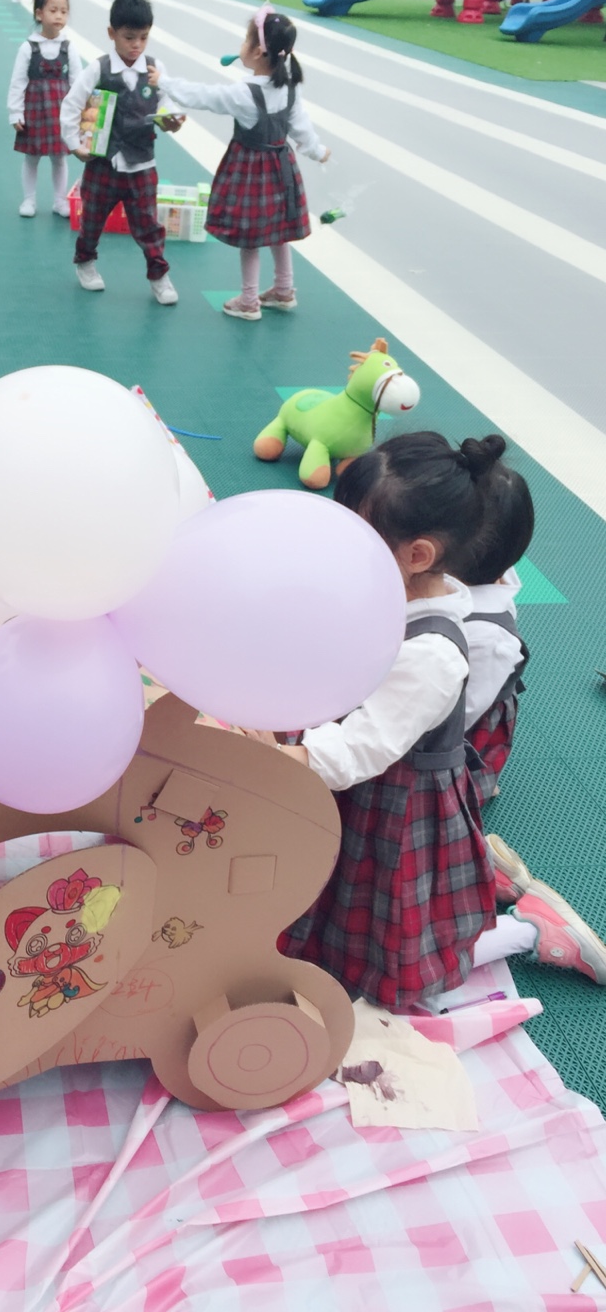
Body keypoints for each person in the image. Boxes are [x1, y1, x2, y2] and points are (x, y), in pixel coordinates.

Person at [256, 432, 606, 1010]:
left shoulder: (434, 654)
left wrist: (274, 757)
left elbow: (362, 749)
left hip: (391, 802)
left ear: (417, 555)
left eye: (357, 535)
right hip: (359, 780)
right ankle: (480, 875)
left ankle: (531, 931)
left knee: (394, 943)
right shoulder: (394, 585)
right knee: (337, 900)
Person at [149, 5, 328, 322]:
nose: (242, 46)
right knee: (278, 231)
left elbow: (202, 96)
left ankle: (248, 301)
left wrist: (164, 82)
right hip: (282, 168)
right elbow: (302, 130)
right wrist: (319, 151)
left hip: (251, 171)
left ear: (258, 51)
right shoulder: (289, 88)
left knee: (251, 239)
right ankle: (284, 289)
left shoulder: (244, 93)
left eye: (246, 41)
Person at [59, 0, 184, 306]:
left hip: (142, 163)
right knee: (92, 219)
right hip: (103, 162)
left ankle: (159, 275)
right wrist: (74, 144)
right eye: (129, 37)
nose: (137, 45)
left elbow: (167, 101)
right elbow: (71, 104)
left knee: (148, 225)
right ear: (111, 33)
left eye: (143, 37)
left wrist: (172, 119)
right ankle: (85, 262)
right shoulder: (98, 69)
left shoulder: (154, 68)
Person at [448, 460, 534, 813]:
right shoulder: (488, 570)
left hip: (456, 723)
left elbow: (463, 716)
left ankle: (474, 782)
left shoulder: (488, 638)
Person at [8, 0, 80, 220]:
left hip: (61, 113)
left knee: (60, 158)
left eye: (64, 11)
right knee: (32, 157)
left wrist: (79, 112)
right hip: (35, 112)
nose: (59, 16)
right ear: (39, 14)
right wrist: (15, 113)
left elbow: (78, 83)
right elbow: (18, 82)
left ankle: (60, 201)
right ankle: (29, 199)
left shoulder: (69, 48)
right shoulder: (28, 47)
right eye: (53, 10)